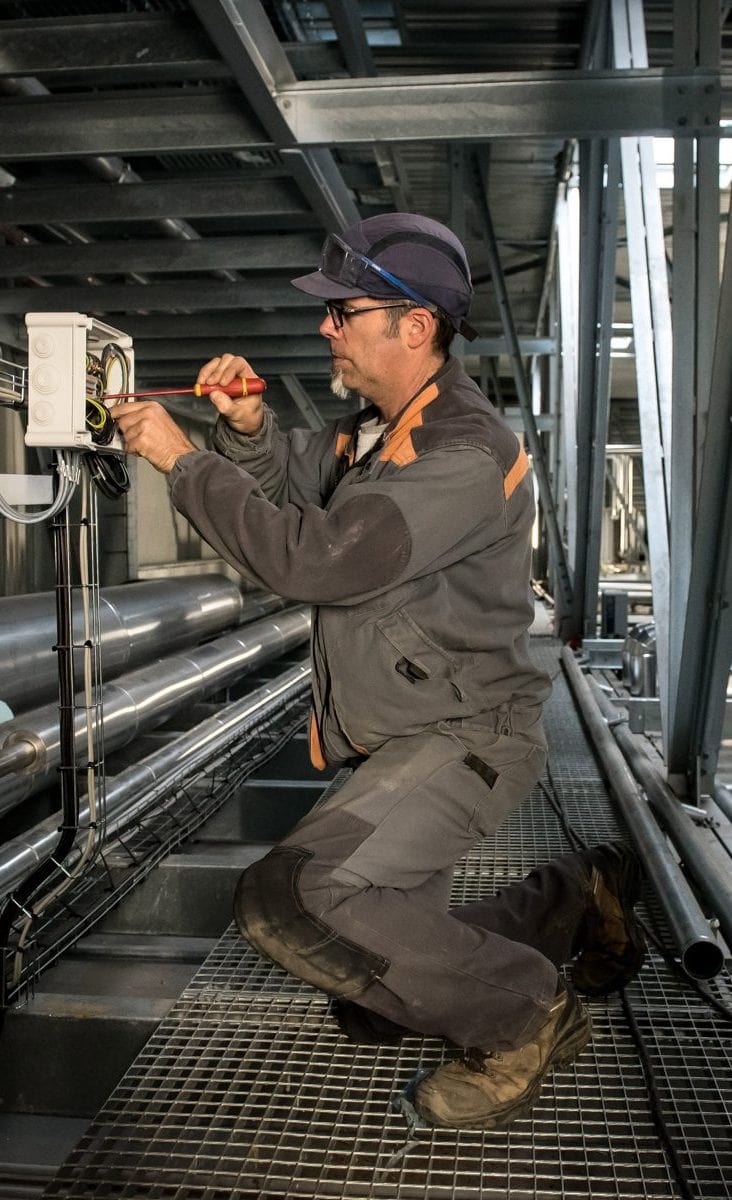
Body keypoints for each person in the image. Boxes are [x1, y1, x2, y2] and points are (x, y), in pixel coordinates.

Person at [110, 212, 646, 1130]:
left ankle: (529, 1013)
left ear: (413, 325)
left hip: (464, 737)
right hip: (402, 735)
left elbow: (312, 559)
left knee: (292, 899)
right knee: (372, 998)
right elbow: (294, 487)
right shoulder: (381, 432)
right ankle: (567, 901)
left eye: (342, 311)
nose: (326, 327)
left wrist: (183, 460)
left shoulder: (460, 456)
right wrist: (246, 430)